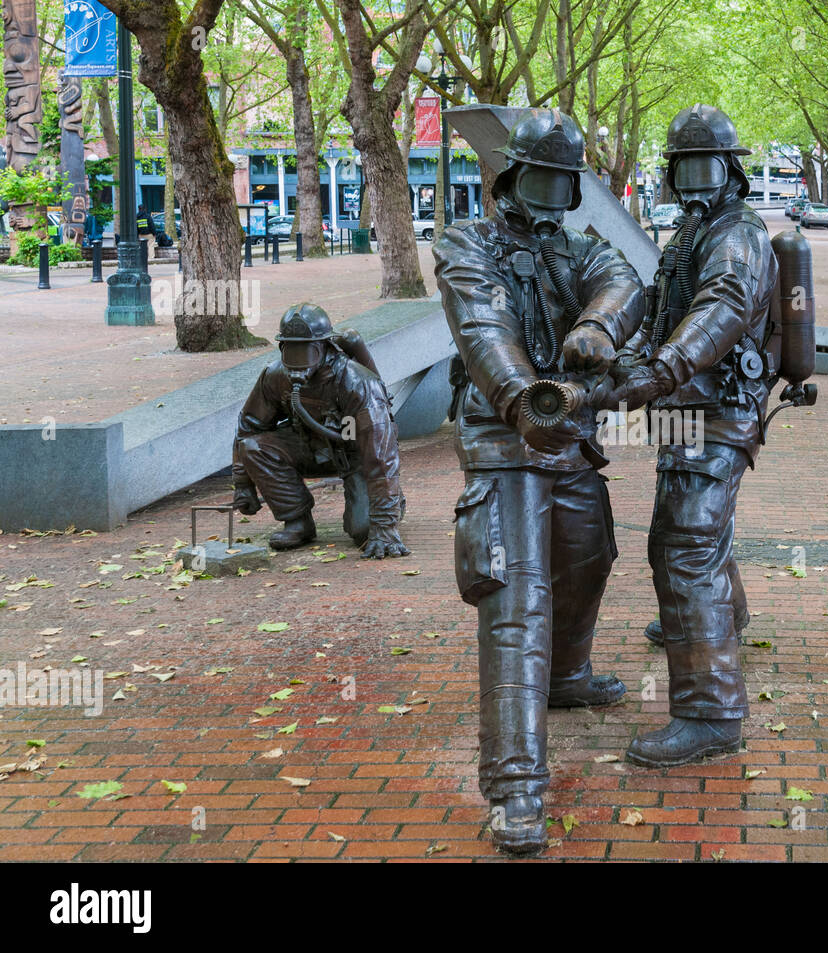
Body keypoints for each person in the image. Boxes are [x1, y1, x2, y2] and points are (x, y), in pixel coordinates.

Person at [433, 109, 645, 855]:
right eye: (543, 178)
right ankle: (515, 786)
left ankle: (566, 674)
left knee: (590, 554)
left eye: (565, 180)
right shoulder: (466, 242)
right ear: (513, 177)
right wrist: (525, 400)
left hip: (570, 434)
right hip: (504, 434)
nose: (554, 193)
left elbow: (620, 277)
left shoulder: (579, 247)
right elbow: (484, 329)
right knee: (517, 599)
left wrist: (601, 326)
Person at [606, 104, 777, 767]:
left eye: (708, 167)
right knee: (693, 534)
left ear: (732, 172)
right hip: (687, 407)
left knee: (684, 548)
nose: (697, 181)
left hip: (716, 410)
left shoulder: (736, 236)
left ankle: (710, 713)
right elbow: (665, 308)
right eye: (686, 169)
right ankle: (720, 619)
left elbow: (724, 307)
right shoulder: (689, 235)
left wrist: (658, 371)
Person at [231, 304, 409, 559]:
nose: (297, 360)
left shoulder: (356, 381)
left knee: (364, 531)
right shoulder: (274, 376)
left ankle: (392, 504)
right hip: (308, 448)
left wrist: (384, 523)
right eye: (291, 350)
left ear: (323, 347)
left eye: (306, 350)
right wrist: (243, 484)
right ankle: (296, 521)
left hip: (355, 455)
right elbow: (248, 428)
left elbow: (381, 455)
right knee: (254, 446)